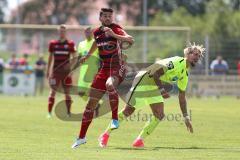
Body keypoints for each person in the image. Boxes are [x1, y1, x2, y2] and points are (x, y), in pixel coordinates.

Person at [98, 43, 205, 148]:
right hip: (145, 79)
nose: (197, 57)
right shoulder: (177, 61)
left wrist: (186, 117)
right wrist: (162, 90)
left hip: (154, 86)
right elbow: (156, 73)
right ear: (188, 54)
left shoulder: (185, 74)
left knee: (159, 114)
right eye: (195, 54)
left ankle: (139, 140)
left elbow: (182, 97)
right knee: (129, 110)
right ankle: (105, 135)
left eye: (199, 56)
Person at [71, 8, 134, 148]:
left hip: (117, 67)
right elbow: (96, 42)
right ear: (100, 17)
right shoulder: (97, 32)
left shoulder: (116, 28)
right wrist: (87, 55)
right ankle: (81, 137)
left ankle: (114, 119)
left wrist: (114, 35)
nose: (108, 18)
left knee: (110, 85)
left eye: (110, 16)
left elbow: (130, 40)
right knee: (90, 106)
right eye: (105, 16)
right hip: (103, 69)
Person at [46, 24, 76, 118]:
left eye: (63, 31)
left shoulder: (70, 44)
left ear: (65, 32)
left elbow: (74, 57)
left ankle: (68, 113)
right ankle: (49, 113)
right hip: (55, 72)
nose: (62, 33)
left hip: (66, 73)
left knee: (67, 93)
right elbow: (50, 57)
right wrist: (48, 70)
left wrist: (71, 69)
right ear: (58, 32)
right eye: (60, 31)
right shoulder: (53, 43)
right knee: (52, 91)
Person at [77, 27, 101, 116]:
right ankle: (96, 104)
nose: (87, 34)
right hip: (83, 71)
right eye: (86, 32)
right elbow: (79, 56)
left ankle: (93, 107)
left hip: (93, 70)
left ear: (92, 33)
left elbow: (99, 55)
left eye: (89, 32)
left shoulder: (95, 43)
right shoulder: (81, 44)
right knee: (81, 92)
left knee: (92, 91)